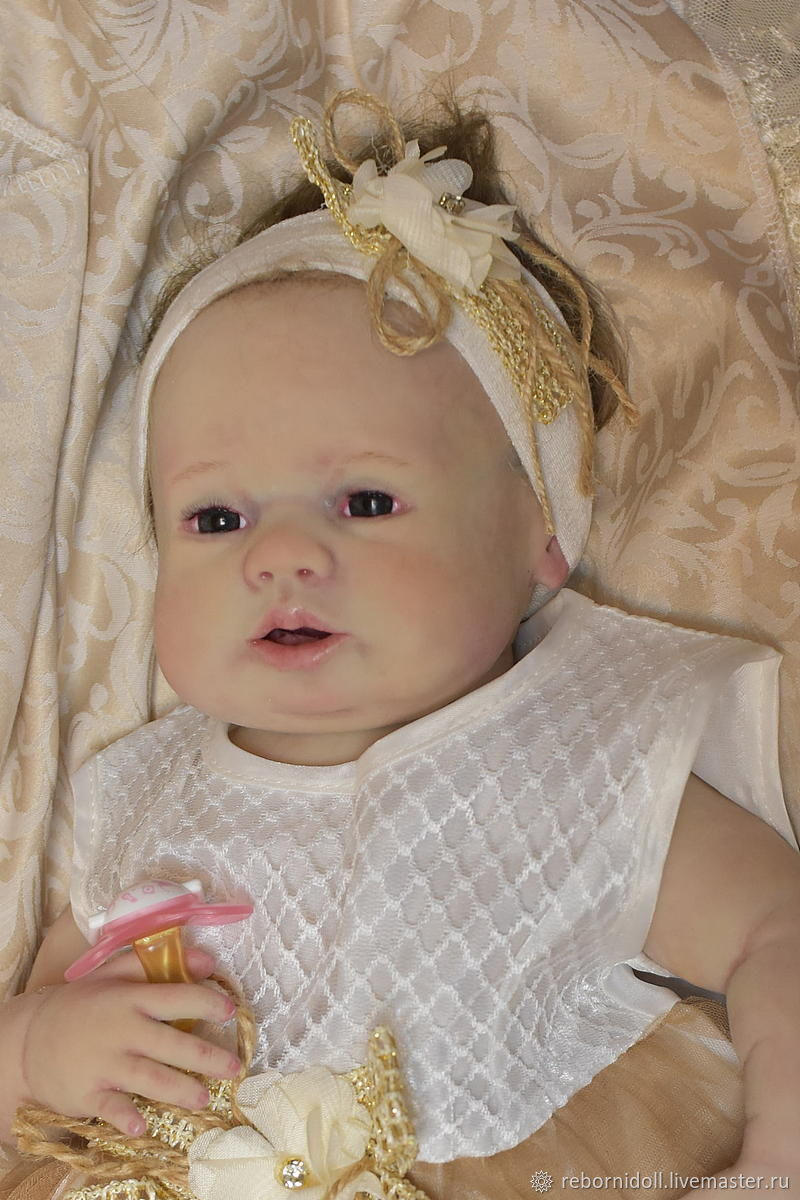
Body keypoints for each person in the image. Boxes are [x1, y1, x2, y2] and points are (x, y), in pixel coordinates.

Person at [1, 90, 798, 1199]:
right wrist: (35, 1048)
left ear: (539, 531)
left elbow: (772, 931)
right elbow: (36, 1064)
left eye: (365, 502)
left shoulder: (579, 757)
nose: (280, 557)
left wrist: (776, 1160)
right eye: (217, 518)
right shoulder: (141, 800)